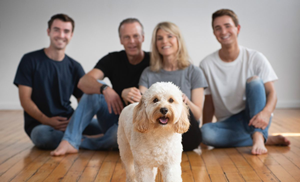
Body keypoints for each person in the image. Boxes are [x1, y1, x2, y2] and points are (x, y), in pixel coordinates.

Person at [51, 18, 150, 156]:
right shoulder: (113, 59)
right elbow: (83, 82)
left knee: (117, 136)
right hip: (114, 116)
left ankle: (84, 141)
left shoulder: (152, 61)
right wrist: (106, 89)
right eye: (126, 37)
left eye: (135, 36)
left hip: (136, 125)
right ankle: (70, 141)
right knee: (98, 87)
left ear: (143, 38)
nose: (132, 41)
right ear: (120, 39)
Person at [200, 9, 290, 155]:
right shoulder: (206, 64)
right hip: (229, 123)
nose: (223, 32)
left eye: (227, 26)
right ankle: (265, 138)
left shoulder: (255, 57)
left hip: (254, 114)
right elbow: (208, 102)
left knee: (254, 81)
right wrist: (204, 133)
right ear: (214, 33)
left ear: (238, 28)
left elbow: (271, 93)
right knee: (205, 133)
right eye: (218, 28)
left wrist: (266, 113)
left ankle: (258, 136)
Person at [13, 14, 101, 150]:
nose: (61, 35)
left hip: (69, 122)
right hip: (41, 125)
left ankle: (74, 140)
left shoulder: (75, 66)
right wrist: (46, 120)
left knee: (105, 128)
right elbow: (25, 100)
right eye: (56, 30)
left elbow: (84, 101)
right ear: (48, 32)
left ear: (71, 35)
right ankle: (91, 142)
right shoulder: (29, 60)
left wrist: (75, 121)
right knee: (42, 136)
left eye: (66, 31)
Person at [139, 22, 207, 151]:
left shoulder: (194, 72)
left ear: (178, 40)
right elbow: (141, 101)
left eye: (169, 36)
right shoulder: (148, 73)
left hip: (185, 135)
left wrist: (185, 101)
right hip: (154, 134)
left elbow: (197, 115)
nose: (164, 41)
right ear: (155, 44)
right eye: (159, 38)